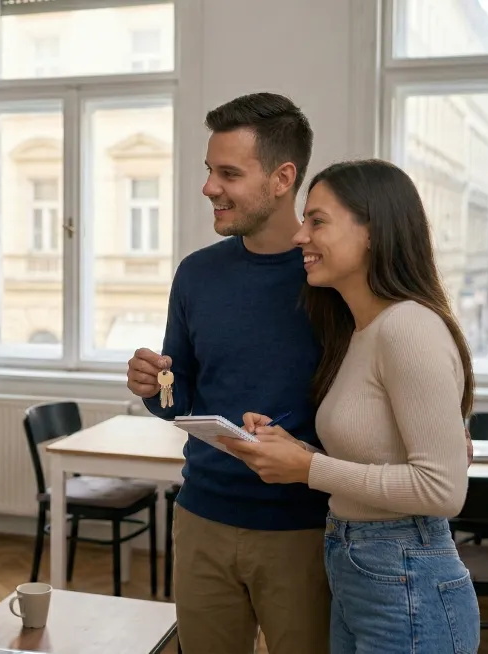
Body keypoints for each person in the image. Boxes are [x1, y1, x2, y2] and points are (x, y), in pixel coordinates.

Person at [220, 159, 482, 653]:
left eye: (318, 220)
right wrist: (291, 450)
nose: (300, 236)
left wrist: (307, 467)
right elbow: (376, 457)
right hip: (361, 567)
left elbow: (443, 490)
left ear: (372, 232)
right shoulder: (361, 331)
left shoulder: (408, 327)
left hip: (405, 575)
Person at [125, 92, 331, 653]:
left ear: (282, 177)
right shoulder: (196, 274)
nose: (209, 187)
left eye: (228, 173)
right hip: (201, 519)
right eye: (209, 171)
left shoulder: (330, 278)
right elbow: (180, 393)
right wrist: (152, 387)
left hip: (306, 529)